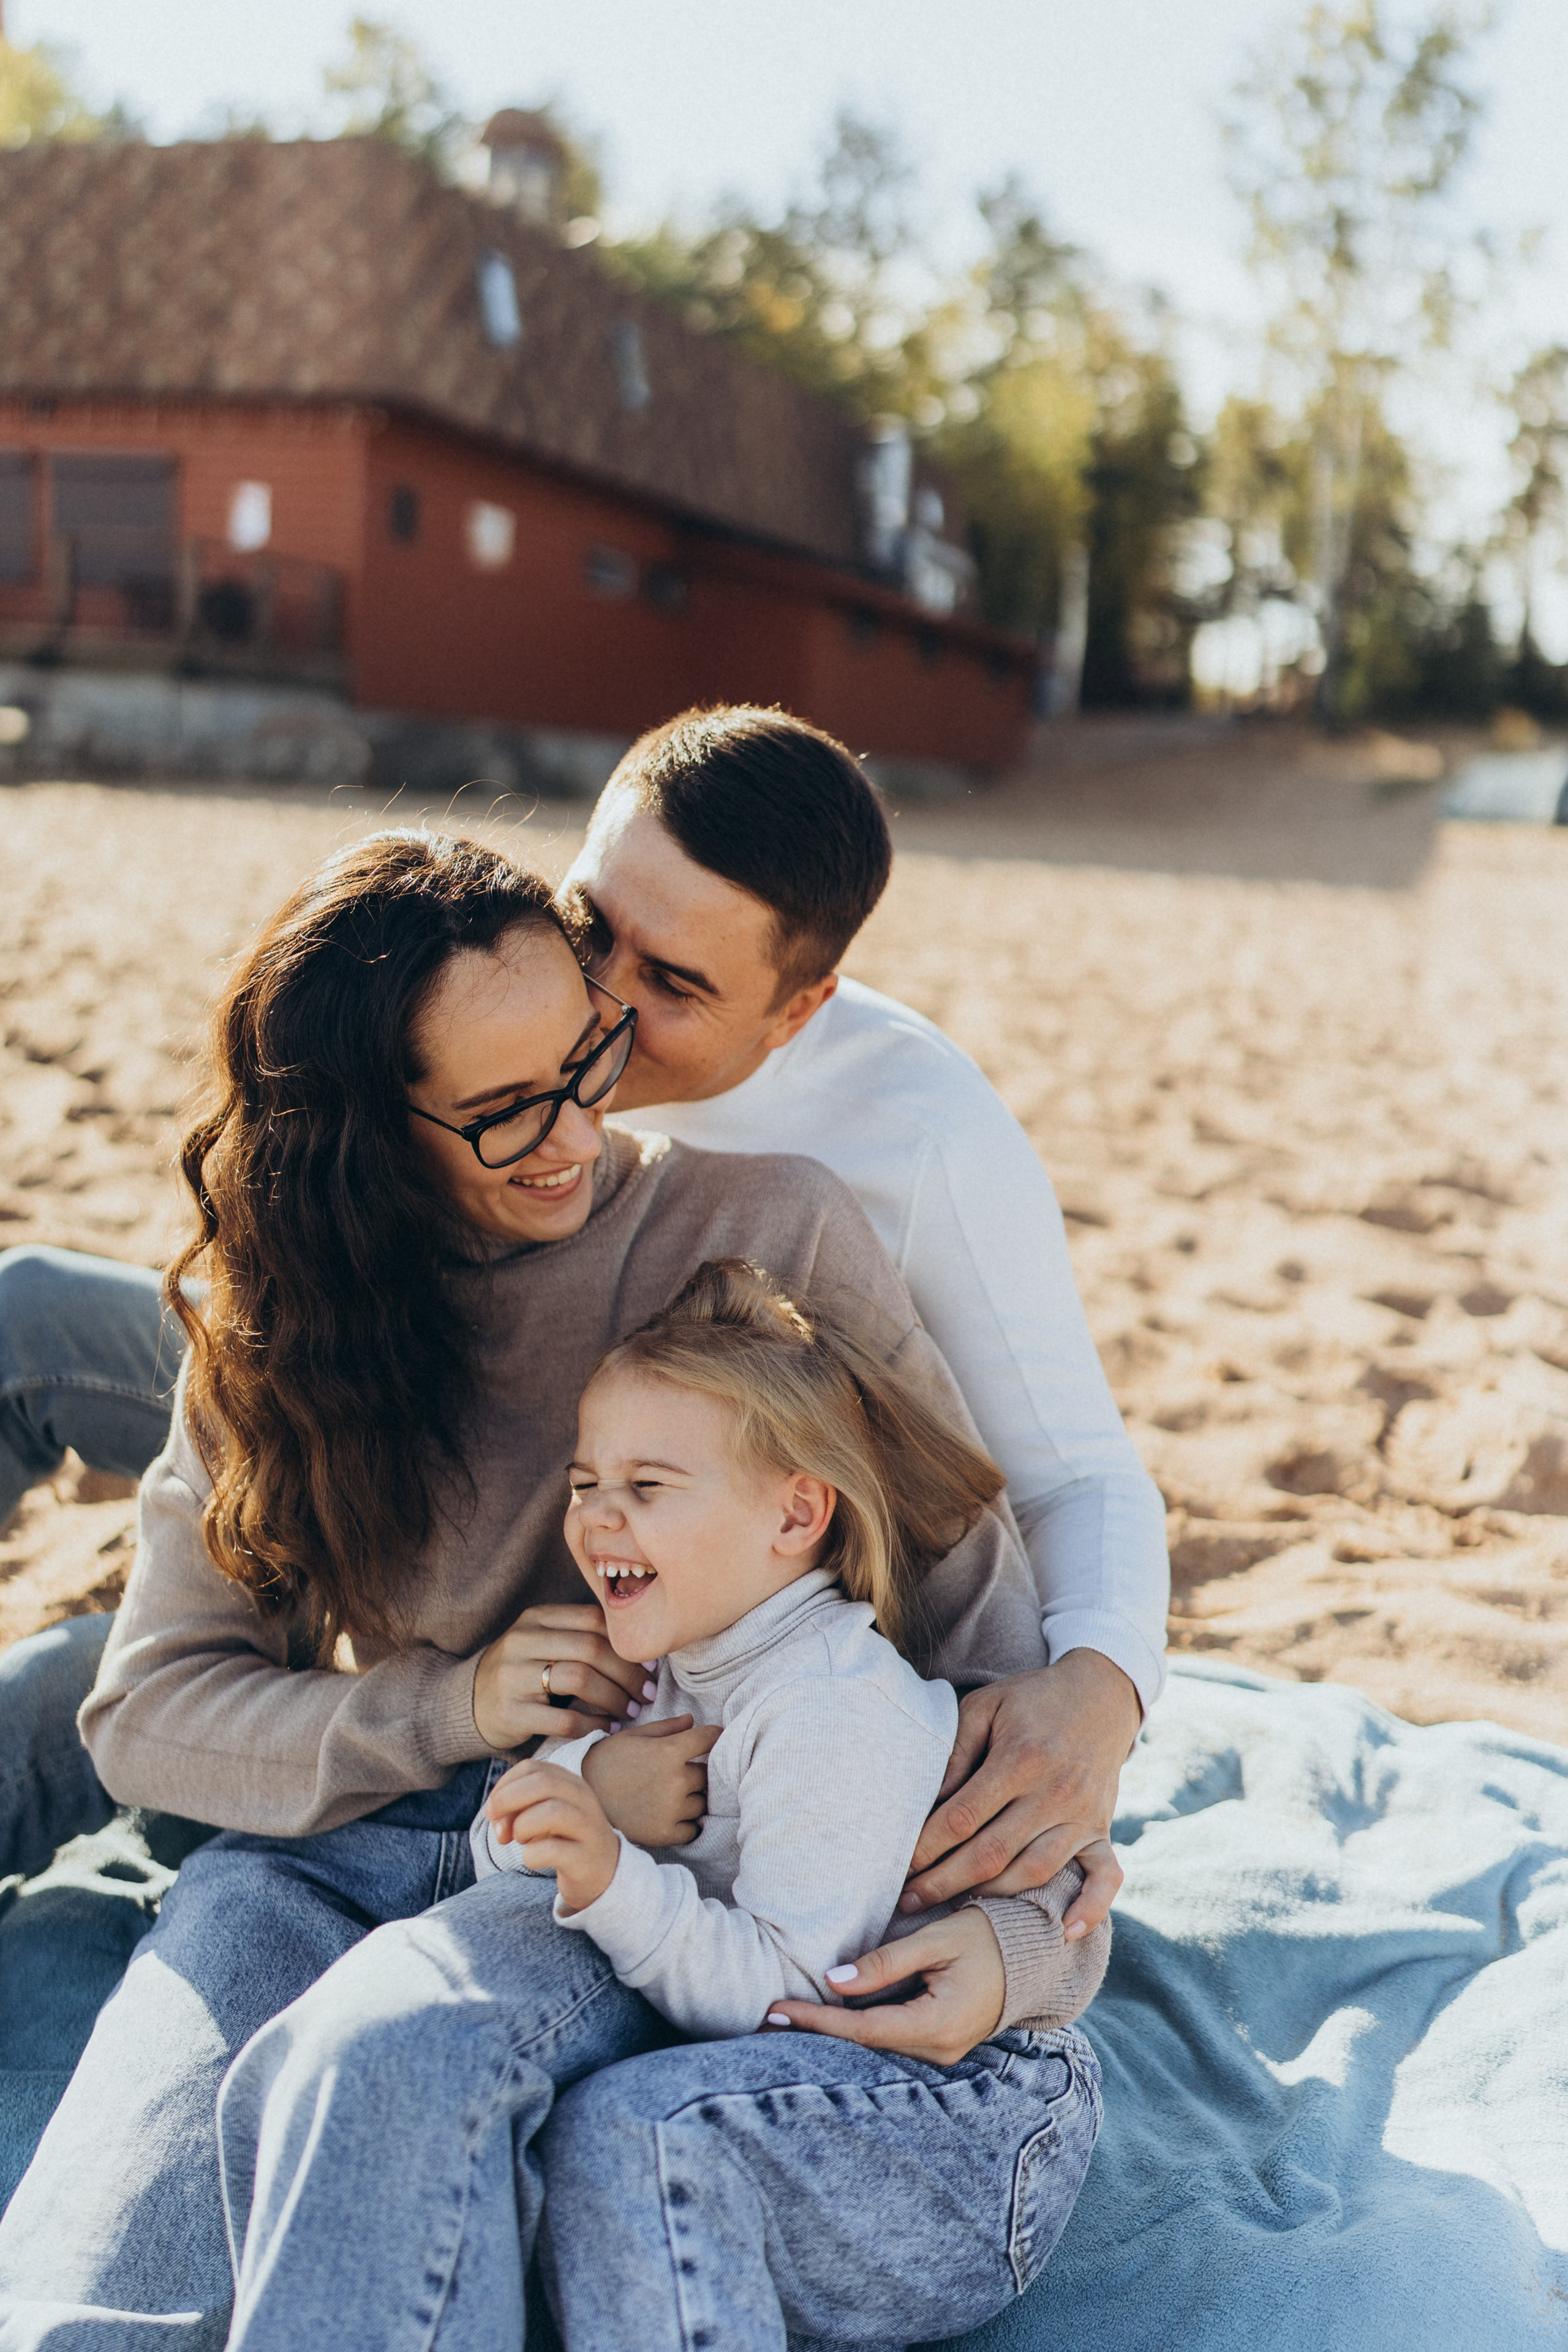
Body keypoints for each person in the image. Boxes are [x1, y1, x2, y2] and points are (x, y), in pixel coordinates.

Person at [0, 829, 1088, 2343]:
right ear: (362, 1138)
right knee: (91, 2288)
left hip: (631, 1867)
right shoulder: (279, 1317)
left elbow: (984, 1648)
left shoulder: (762, 1233)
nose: (577, 1129)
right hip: (335, 1848)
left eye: (588, 1059)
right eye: (506, 1110)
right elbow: (148, 1714)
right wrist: (451, 1706)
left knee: (386, 2073)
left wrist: (1030, 1948)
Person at [0, 704, 1167, 1940]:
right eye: (591, 921)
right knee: (37, 1335)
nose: (596, 996)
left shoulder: (901, 1154)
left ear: (793, 1012)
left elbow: (1061, 1476)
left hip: (655, 1518)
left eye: (670, 985)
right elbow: (159, 1703)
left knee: (114, 1700)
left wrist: (1096, 1698)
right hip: (400, 1375)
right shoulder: (499, 1001)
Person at [211, 1257, 1107, 2351]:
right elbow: (502, 1849)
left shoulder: (833, 1706)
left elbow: (792, 1992)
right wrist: (590, 1794)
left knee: (637, 2136)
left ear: (796, 1514)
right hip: (778, 2070)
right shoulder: (659, 1658)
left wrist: (614, 1878)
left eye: (648, 1487)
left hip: (961, 2114)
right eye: (585, 1483)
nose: (598, 1519)